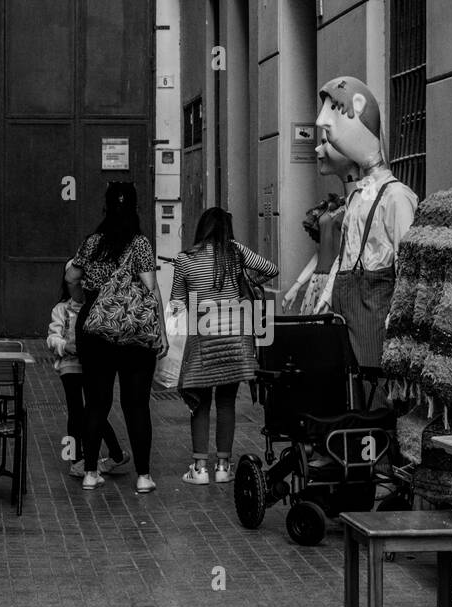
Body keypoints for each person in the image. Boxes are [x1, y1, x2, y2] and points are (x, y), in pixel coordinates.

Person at [65, 182, 165, 495]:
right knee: (136, 405)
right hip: (135, 329)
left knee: (96, 402)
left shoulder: (92, 243)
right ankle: (144, 476)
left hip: (96, 328)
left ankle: (91, 472)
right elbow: (150, 286)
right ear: (134, 207)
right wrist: (160, 328)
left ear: (106, 207)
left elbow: (71, 276)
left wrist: (83, 298)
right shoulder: (140, 244)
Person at [314, 76, 418, 370]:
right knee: (352, 386)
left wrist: (397, 316)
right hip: (347, 305)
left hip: (375, 305)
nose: (325, 121)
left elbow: (407, 262)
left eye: (334, 109)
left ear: (358, 108)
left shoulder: (396, 196)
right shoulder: (358, 197)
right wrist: (327, 294)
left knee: (377, 392)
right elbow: (345, 253)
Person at [170, 208, 278, 484]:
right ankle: (223, 467)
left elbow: (176, 302)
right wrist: (245, 281)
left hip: (203, 335)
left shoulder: (185, 259)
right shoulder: (235, 251)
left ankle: (199, 469)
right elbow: (271, 269)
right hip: (235, 334)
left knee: (201, 403)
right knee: (227, 401)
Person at [47, 271, 130, 479]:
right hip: (70, 365)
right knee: (76, 410)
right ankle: (75, 460)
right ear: (67, 286)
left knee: (95, 410)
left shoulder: (96, 308)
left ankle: (115, 453)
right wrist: (65, 345)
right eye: (74, 284)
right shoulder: (61, 310)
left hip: (92, 366)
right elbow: (52, 338)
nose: (80, 288)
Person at [283, 136, 356, 313]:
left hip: (339, 283)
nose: (318, 149)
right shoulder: (332, 206)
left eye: (325, 142)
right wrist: (297, 284)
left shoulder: (357, 205)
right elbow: (321, 251)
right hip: (317, 283)